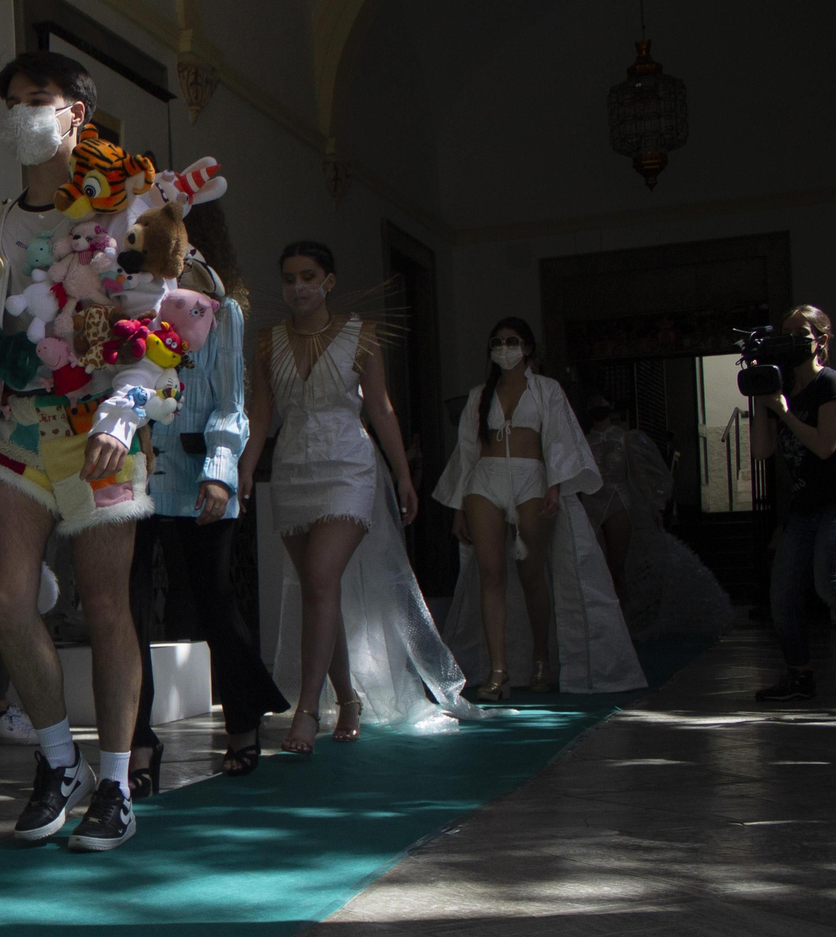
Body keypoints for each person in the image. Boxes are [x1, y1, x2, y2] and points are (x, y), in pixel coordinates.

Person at [0, 51, 151, 851]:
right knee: (10, 599)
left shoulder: (122, 214)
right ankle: (58, 763)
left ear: (75, 114)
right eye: (12, 101)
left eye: (37, 100)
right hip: (17, 427)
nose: (22, 113)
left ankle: (116, 783)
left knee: (107, 604)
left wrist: (126, 412)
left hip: (100, 430)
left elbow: (155, 325)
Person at [239, 241, 472, 756]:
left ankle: (306, 710)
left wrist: (403, 475)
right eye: (289, 278)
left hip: (349, 465)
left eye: (308, 276)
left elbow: (383, 411)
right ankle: (346, 699)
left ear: (329, 281)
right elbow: (260, 415)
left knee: (321, 581)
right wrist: (247, 469)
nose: (298, 287)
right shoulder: (266, 342)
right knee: (317, 592)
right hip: (294, 469)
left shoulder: (361, 336)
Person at [128, 213, 288, 787]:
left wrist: (221, 472)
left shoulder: (218, 306)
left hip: (198, 478)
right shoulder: (123, 297)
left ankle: (243, 722)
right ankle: (139, 745)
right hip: (133, 476)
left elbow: (230, 403)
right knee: (129, 612)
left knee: (213, 602)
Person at [434, 318, 645, 697]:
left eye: (512, 341)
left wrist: (554, 486)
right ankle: (498, 669)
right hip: (485, 480)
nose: (504, 348)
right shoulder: (479, 395)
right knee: (490, 573)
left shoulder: (547, 390)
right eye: (496, 342)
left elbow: (560, 440)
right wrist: (458, 507)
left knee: (532, 574)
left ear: (527, 348)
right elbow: (467, 451)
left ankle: (540, 657)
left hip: (531, 479)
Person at [580, 393, 732, 641]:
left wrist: (652, 505)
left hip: (618, 501)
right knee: (598, 569)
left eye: (602, 404)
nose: (598, 407)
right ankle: (603, 623)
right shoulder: (583, 441)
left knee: (616, 568)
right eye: (594, 405)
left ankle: (623, 621)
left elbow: (640, 474)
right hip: (591, 503)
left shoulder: (624, 438)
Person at [751, 305, 836, 702]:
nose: (789, 339)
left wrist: (784, 412)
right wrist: (762, 403)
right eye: (783, 332)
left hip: (834, 502)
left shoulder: (828, 385)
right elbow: (761, 452)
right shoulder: (782, 390)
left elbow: (824, 446)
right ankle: (799, 676)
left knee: (827, 584)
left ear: (820, 339)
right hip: (803, 507)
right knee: (782, 594)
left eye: (798, 331)